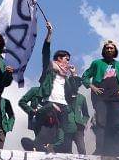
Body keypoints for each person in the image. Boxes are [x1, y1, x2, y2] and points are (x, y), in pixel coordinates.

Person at [31, 22, 82, 152]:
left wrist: (74, 74)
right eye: (67, 59)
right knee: (48, 131)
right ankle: (37, 147)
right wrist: (49, 34)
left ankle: (54, 150)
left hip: (63, 106)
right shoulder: (50, 68)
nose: (68, 62)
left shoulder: (66, 78)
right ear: (59, 59)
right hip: (50, 103)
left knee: (65, 135)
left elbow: (74, 92)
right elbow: (45, 52)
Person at [83, 40, 119, 156]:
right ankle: (100, 150)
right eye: (107, 48)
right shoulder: (97, 63)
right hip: (101, 98)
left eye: (111, 48)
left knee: (115, 124)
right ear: (104, 50)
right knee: (101, 123)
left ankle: (114, 150)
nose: (109, 50)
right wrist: (92, 86)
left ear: (115, 51)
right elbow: (85, 76)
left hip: (116, 99)